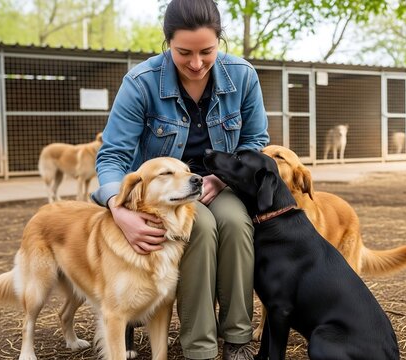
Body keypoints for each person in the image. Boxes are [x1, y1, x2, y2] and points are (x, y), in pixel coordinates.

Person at [91, 1, 269, 359]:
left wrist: (220, 178)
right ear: (167, 42)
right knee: (199, 228)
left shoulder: (243, 75)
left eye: (207, 51)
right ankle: (199, 346)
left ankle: (237, 337)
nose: (197, 63)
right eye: (183, 52)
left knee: (235, 223)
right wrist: (118, 209)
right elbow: (112, 155)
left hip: (219, 182)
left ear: (220, 41)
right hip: (163, 190)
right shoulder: (140, 82)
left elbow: (255, 141)